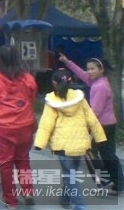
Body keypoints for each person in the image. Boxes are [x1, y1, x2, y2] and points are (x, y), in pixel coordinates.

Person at [34, 69, 107, 210]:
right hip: (80, 144)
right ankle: (65, 198)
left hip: (63, 146)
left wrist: (39, 143)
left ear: (54, 83)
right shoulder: (80, 98)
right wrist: (100, 137)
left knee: (70, 175)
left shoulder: (52, 101)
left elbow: (46, 124)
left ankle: (80, 205)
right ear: (71, 81)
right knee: (71, 173)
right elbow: (92, 119)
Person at [60, 54, 124, 195]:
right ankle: (116, 182)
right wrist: (67, 62)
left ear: (101, 69)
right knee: (107, 154)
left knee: (91, 152)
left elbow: (95, 111)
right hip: (107, 124)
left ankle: (108, 181)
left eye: (92, 69)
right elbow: (82, 74)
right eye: (88, 69)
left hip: (102, 126)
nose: (89, 71)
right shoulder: (99, 82)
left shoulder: (100, 87)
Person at [0, 45, 37, 209]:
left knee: (6, 164)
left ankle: (11, 200)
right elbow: (32, 98)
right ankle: (28, 191)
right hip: (25, 123)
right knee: (23, 159)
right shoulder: (28, 78)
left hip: (4, 126)